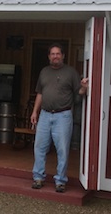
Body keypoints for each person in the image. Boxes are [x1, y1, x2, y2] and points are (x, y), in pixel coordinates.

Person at [30, 43, 88, 193]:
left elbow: (79, 92)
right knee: (39, 147)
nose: (55, 56)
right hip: (44, 114)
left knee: (62, 149)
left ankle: (60, 181)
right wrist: (34, 112)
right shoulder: (44, 72)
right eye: (52, 54)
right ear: (49, 56)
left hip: (63, 115)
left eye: (58, 54)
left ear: (63, 55)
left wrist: (84, 87)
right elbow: (40, 93)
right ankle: (38, 178)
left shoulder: (71, 72)